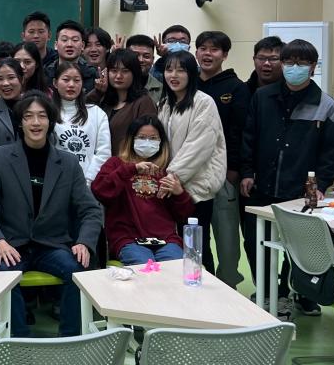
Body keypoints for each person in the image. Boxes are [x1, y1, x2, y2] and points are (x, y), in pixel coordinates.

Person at [0, 91, 103, 338]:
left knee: (77, 269)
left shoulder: (68, 162)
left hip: (52, 244)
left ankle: (71, 339)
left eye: (42, 116)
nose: (35, 122)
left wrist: (84, 242)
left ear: (51, 121)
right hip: (12, 244)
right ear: (20, 122)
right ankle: (18, 342)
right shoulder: (0, 158)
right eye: (29, 116)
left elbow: (90, 209)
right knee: (5, 276)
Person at [241, 38, 334, 319]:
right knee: (255, 242)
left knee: (296, 246)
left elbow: (331, 152)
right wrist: (247, 172)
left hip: (301, 191)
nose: (293, 67)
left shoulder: (326, 105)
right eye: (288, 62)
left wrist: (321, 185)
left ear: (313, 66)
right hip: (261, 185)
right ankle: (266, 291)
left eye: (301, 63)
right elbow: (249, 137)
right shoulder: (262, 97)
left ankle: (291, 292)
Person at [157, 50, 227, 273]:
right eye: (169, 70)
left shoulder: (204, 102)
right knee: (177, 245)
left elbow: (197, 147)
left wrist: (171, 177)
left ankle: (206, 289)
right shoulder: (165, 103)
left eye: (180, 70)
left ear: (191, 73)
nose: (173, 75)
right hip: (173, 186)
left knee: (197, 247)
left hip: (197, 187)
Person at [91, 115, 193, 265]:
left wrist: (179, 194)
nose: (147, 142)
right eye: (142, 137)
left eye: (153, 138)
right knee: (145, 267)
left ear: (161, 142)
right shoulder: (116, 164)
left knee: (175, 266)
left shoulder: (167, 170)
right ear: (131, 139)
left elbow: (183, 215)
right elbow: (99, 190)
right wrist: (130, 169)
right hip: (128, 239)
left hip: (165, 240)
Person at [196, 30, 252, 288]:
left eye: (214, 49)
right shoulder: (189, 83)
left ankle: (229, 284)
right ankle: (200, 284)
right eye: (203, 48)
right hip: (192, 174)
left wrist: (233, 169)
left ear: (225, 55)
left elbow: (241, 131)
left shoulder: (237, 88)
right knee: (196, 234)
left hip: (224, 174)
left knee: (227, 234)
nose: (208, 54)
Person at [51, 60, 111, 184]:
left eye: (77, 80)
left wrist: (87, 180)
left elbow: (103, 153)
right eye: (66, 80)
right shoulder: (47, 113)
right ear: (55, 83)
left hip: (88, 184)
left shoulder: (97, 114)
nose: (71, 85)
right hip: (55, 183)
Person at [96, 48, 158, 155]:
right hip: (103, 161)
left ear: (135, 73)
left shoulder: (143, 102)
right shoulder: (104, 101)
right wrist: (98, 92)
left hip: (129, 162)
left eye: (125, 71)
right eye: (114, 71)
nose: (118, 76)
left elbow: (147, 141)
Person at [49, 20, 98, 92]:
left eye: (75, 40)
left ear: (82, 46)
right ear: (56, 45)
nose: (69, 44)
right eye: (64, 40)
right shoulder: (46, 73)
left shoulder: (93, 74)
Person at [125, 34, 163, 104]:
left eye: (146, 56)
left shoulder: (161, 89)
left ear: (153, 60)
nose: (141, 60)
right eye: (135, 55)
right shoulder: (116, 83)